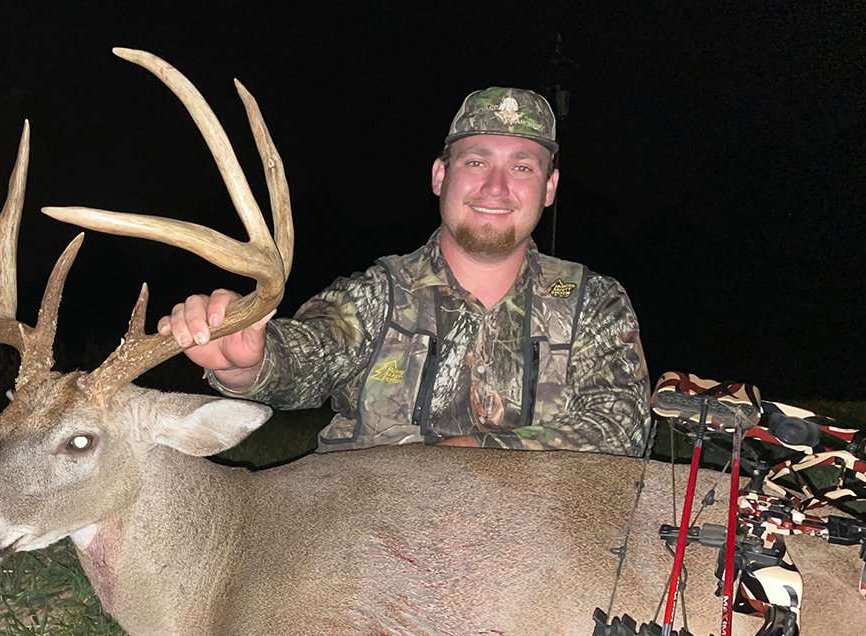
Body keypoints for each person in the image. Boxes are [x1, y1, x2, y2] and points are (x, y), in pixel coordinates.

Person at [158, 87, 651, 455]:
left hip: (531, 546)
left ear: (549, 187)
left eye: (522, 167)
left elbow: (622, 425)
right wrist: (250, 362)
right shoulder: (380, 294)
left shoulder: (592, 302)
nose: (496, 187)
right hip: (374, 541)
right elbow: (310, 353)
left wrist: (475, 454)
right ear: (440, 176)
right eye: (476, 162)